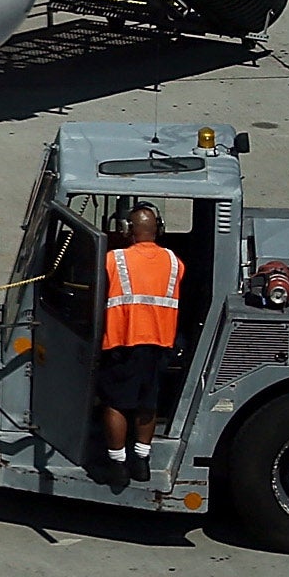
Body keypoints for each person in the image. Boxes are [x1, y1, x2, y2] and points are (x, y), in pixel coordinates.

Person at [96, 206, 183, 490]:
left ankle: (117, 464)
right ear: (158, 228)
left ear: (127, 230)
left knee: (116, 403)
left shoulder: (114, 259)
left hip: (123, 341)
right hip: (160, 343)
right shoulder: (174, 262)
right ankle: (142, 460)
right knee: (148, 401)